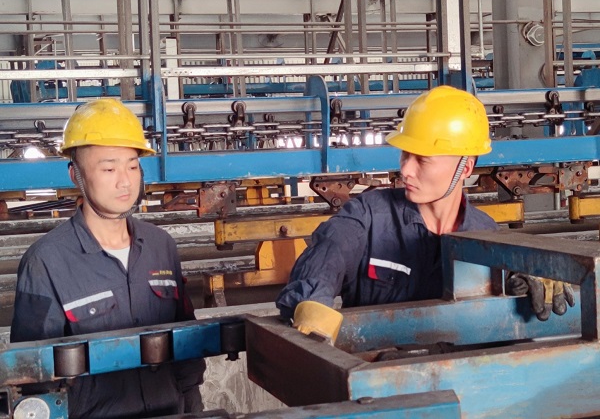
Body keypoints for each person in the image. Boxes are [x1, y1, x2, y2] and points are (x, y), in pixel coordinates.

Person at [276, 85, 574, 336]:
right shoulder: (368, 216)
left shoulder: (486, 236)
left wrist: (528, 275)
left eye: (423, 159)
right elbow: (328, 255)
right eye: (405, 155)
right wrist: (311, 304)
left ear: (465, 167)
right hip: (375, 375)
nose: (406, 169)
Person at [11, 98, 204, 418]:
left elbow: (187, 350)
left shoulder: (161, 247)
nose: (125, 181)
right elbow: (34, 378)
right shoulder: (45, 263)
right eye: (109, 168)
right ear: (76, 175)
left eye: (132, 166)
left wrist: (194, 411)